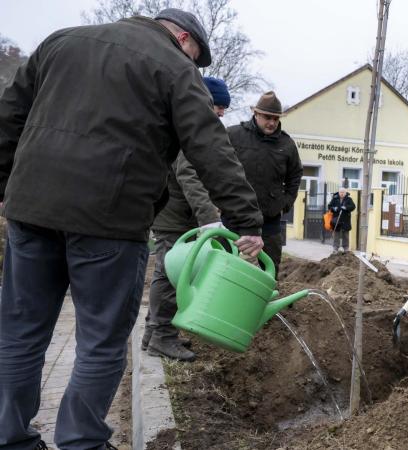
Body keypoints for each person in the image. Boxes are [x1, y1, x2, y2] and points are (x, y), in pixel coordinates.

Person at [0, 9, 265, 449]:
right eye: (195, 55)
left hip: (33, 210)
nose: (194, 64)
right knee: (100, 340)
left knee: (20, 333)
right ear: (182, 37)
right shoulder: (176, 68)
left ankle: (9, 438)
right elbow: (210, 147)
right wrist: (245, 221)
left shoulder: (60, 41)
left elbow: (9, 116)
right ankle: (81, 441)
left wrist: (4, 181)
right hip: (110, 219)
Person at [141, 76, 232, 362]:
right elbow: (190, 176)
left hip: (173, 212)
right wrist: (209, 219)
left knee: (165, 273)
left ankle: (152, 332)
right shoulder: (189, 130)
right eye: (218, 106)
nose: (221, 113)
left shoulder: (187, 124)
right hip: (175, 215)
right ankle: (162, 337)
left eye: (224, 109)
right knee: (172, 276)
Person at [227, 91, 303, 277]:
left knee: (270, 270)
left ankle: (266, 303)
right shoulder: (233, 135)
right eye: (268, 117)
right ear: (256, 114)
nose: (272, 123)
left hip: (269, 219)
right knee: (224, 263)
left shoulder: (286, 144)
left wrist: (285, 202)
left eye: (276, 119)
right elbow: (216, 167)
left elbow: (295, 175)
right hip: (233, 216)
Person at [327, 187, 356, 252]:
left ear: (345, 193)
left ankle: (346, 248)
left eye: (343, 192)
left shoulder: (348, 199)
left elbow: (353, 206)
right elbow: (329, 206)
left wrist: (346, 208)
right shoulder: (335, 199)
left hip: (345, 220)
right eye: (341, 192)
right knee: (336, 234)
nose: (342, 194)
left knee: (345, 235)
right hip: (336, 219)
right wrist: (334, 208)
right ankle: (335, 248)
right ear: (339, 192)